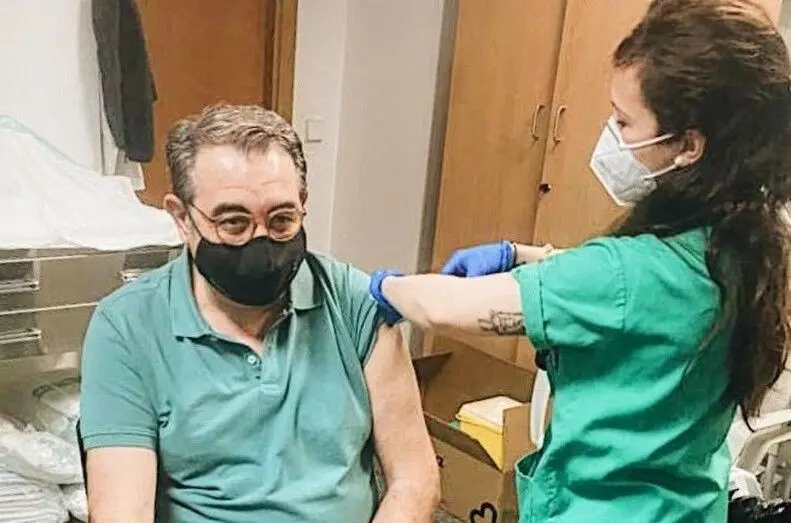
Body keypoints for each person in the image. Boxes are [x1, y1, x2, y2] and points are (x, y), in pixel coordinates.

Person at [369, 1, 791, 521]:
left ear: (688, 145)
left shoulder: (626, 273)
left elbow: (446, 309)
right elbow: (644, 292)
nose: (611, 134)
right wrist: (522, 255)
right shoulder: (740, 245)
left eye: (624, 121)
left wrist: (383, 287)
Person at [79, 104, 439, 522]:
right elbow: (123, 512)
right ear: (181, 218)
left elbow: (415, 478)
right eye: (234, 223)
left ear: (303, 205)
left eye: (282, 219)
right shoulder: (127, 327)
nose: (261, 243)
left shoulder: (356, 304)